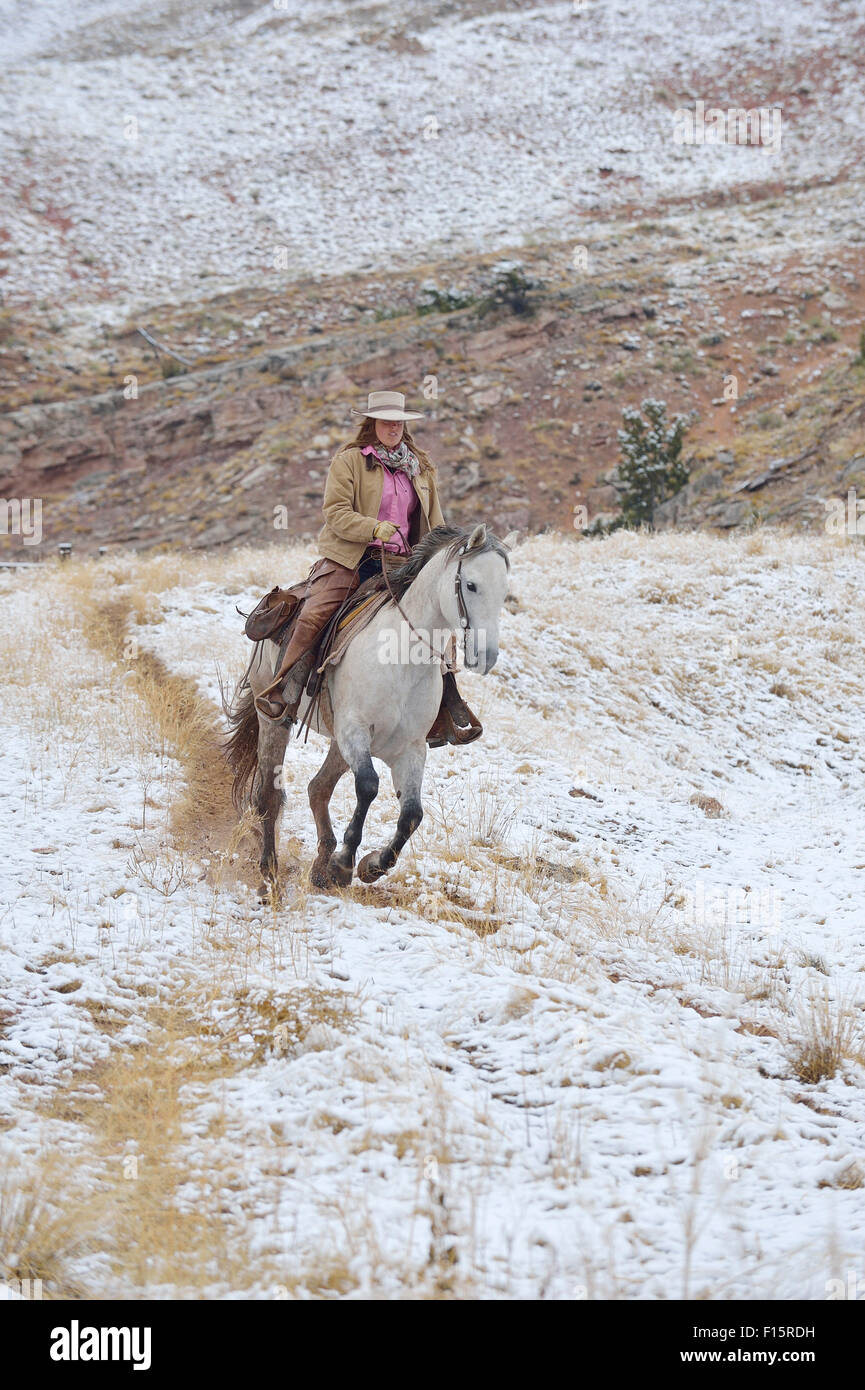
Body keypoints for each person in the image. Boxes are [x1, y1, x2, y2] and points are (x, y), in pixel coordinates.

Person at [254, 389, 481, 746]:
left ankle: (443, 708)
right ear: (372, 422)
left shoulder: (420, 468)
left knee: (437, 622)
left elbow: (434, 523)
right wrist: (373, 528)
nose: (392, 427)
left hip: (405, 564)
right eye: (386, 421)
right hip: (353, 560)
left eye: (398, 422)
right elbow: (335, 512)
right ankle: (284, 689)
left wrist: (442, 555)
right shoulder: (350, 461)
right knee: (315, 614)